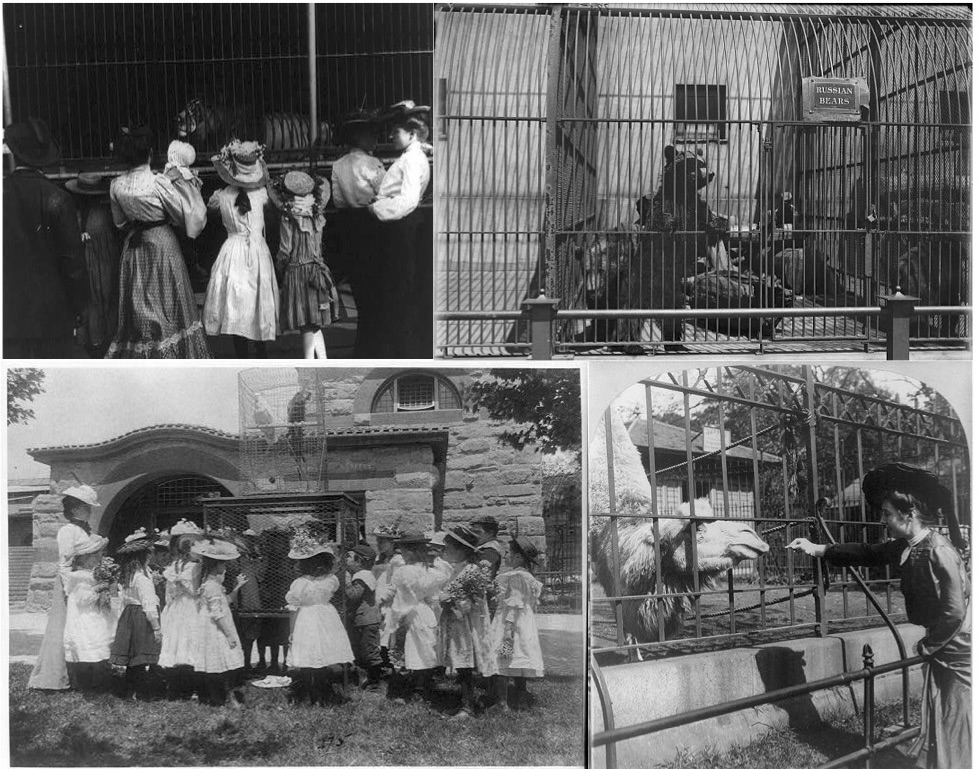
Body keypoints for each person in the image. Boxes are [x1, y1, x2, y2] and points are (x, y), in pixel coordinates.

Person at [787, 463, 970, 769]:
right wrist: (816, 548)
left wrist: (930, 645)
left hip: (959, 647)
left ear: (907, 515)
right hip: (944, 644)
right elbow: (866, 552)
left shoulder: (939, 550)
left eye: (887, 514)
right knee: (944, 715)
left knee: (958, 716)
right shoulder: (907, 546)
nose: (883, 520)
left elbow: (955, 611)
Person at [106, 126, 210, 358]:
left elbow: (120, 224)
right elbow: (180, 214)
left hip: (134, 247)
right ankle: (172, 353)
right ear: (150, 153)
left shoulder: (116, 185)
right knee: (168, 305)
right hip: (162, 244)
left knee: (139, 304)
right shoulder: (159, 183)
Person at [3, 117, 89, 358]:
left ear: (16, 153)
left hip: (9, 318)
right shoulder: (59, 199)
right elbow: (73, 264)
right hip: (53, 319)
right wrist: (81, 307)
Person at [367, 103, 431, 358]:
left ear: (412, 134)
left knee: (402, 290)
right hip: (400, 226)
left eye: (398, 132)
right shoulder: (409, 157)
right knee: (399, 290)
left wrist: (377, 209)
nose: (392, 135)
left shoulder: (412, 160)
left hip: (402, 226)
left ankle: (405, 348)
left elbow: (408, 200)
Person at [204, 140, 279, 358]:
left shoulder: (221, 196)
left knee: (237, 299)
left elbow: (211, 210)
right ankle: (261, 350)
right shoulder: (262, 194)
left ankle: (242, 352)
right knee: (257, 297)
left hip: (233, 250)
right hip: (255, 249)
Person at [29, 484, 100, 690]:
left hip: (84, 581)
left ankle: (81, 672)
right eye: (87, 507)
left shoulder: (83, 530)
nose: (90, 511)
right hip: (71, 583)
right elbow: (65, 562)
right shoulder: (68, 530)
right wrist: (70, 589)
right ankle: (57, 675)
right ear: (76, 509)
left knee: (82, 626)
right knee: (63, 627)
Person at [331, 109, 385, 357]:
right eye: (370, 134)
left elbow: (338, 199)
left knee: (360, 291)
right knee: (378, 291)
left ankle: (362, 346)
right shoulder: (373, 164)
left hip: (349, 229)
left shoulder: (338, 165)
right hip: (373, 227)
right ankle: (374, 343)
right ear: (360, 137)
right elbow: (385, 195)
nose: (374, 138)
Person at [268, 170, 338, 359]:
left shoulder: (288, 216)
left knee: (306, 323)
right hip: (316, 268)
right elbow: (318, 246)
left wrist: (279, 268)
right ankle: (322, 361)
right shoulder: (316, 213)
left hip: (297, 271)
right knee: (313, 323)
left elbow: (285, 249)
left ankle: (310, 363)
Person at [284, 533, 355, 706]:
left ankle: (312, 695)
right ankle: (322, 694)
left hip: (307, 618)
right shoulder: (330, 580)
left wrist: (292, 632)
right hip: (326, 617)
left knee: (309, 658)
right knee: (323, 655)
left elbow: (294, 608)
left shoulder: (299, 584)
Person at [438, 525, 498, 718]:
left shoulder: (472, 570)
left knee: (465, 665)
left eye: (448, 547)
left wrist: (449, 600)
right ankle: (465, 703)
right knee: (460, 663)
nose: (445, 551)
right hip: (457, 623)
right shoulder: (459, 568)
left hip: (467, 624)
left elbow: (473, 599)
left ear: (461, 549)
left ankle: (468, 707)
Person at [382, 531, 449, 702]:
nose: (402, 554)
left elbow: (399, 594)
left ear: (410, 552)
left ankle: (403, 689)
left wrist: (391, 610)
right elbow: (434, 595)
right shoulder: (430, 571)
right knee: (422, 651)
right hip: (424, 612)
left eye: (403, 551)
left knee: (403, 649)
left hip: (406, 612)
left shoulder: (404, 571)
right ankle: (421, 687)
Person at [65, 172, 122, 357]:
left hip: (96, 265)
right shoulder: (98, 213)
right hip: (102, 263)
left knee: (96, 299)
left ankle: (97, 341)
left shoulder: (94, 219)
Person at [489, 536, 544, 710]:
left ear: (518, 557)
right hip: (524, 624)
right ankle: (521, 701)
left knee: (503, 657)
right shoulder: (528, 577)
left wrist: (507, 630)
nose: (505, 556)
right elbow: (530, 603)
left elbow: (514, 603)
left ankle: (502, 702)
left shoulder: (516, 577)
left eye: (508, 553)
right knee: (519, 660)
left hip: (510, 623)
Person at [109, 528, 164, 700]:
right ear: (145, 556)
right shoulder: (142, 579)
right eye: (150, 553)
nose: (152, 555)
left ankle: (128, 691)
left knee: (134, 657)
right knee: (141, 655)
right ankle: (143, 692)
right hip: (141, 617)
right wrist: (156, 628)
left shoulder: (130, 575)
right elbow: (148, 605)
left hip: (129, 615)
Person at [191, 537, 245, 708]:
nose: (225, 568)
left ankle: (216, 697)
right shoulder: (211, 586)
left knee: (220, 662)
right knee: (220, 661)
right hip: (215, 628)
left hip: (217, 624)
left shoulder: (213, 584)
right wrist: (228, 634)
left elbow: (225, 602)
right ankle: (219, 697)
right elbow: (217, 613)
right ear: (216, 566)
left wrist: (237, 587)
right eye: (223, 565)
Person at [63, 533, 117, 692]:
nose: (100, 557)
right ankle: (88, 683)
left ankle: (99, 681)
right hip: (85, 617)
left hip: (94, 614)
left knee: (98, 645)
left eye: (101, 553)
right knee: (88, 645)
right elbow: (83, 599)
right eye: (97, 554)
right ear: (85, 558)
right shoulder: (80, 576)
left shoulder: (92, 574)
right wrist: (100, 587)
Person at [157, 520, 203, 700]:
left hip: (181, 606)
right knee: (183, 642)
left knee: (185, 642)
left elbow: (174, 593)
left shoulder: (186, 567)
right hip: (186, 607)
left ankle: (184, 685)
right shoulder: (185, 567)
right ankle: (183, 686)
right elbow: (191, 590)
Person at [345, 543, 384, 690]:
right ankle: (366, 679)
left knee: (369, 650)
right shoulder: (362, 575)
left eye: (349, 557)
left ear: (359, 561)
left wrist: (346, 580)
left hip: (367, 620)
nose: (346, 559)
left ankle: (375, 682)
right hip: (363, 620)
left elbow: (353, 595)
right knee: (362, 650)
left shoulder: (363, 576)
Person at [471, 514, 503, 616]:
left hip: (483, 598)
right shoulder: (483, 548)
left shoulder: (489, 551)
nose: (474, 536)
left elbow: (484, 576)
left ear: (490, 533)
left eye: (478, 532)